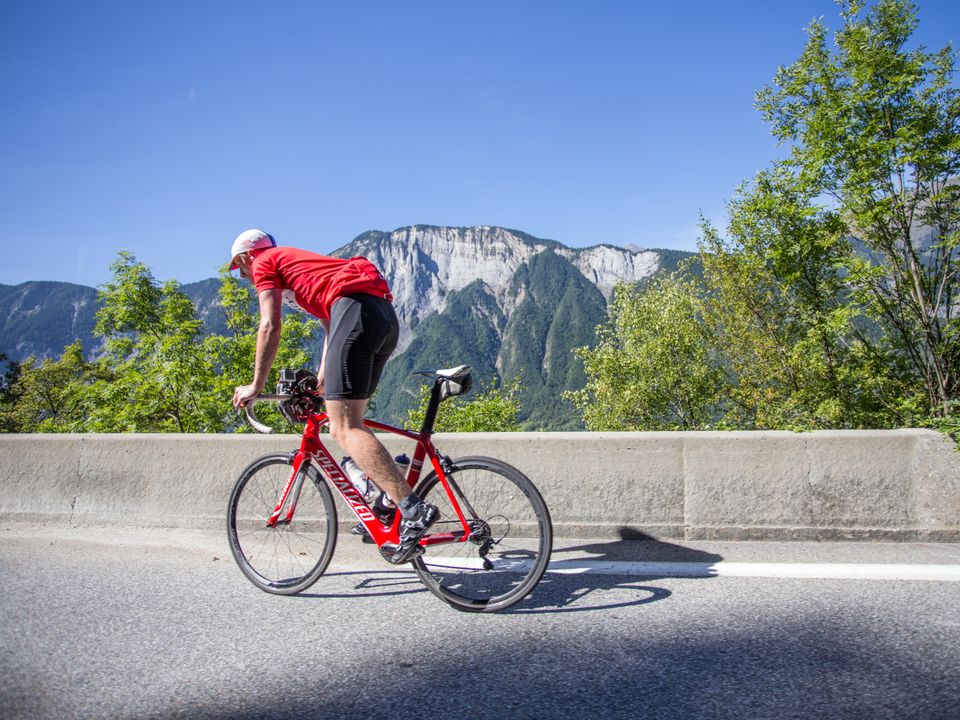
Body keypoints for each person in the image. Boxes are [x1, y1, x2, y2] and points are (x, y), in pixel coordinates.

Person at [228, 228, 437, 563]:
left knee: (344, 428)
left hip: (355, 314)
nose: (242, 275)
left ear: (248, 255)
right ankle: (387, 496)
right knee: (349, 420)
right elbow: (330, 329)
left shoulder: (265, 262)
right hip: (381, 318)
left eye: (239, 267)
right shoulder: (302, 268)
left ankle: (413, 510)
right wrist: (323, 383)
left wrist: (255, 385)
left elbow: (269, 326)